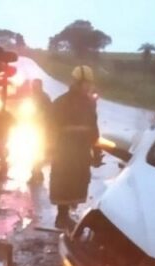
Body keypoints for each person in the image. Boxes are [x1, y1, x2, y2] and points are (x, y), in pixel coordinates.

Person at [49, 65, 102, 229]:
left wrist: (97, 152)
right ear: (75, 83)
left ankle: (67, 212)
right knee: (64, 181)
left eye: (89, 83)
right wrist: (49, 148)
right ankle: (62, 216)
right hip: (65, 150)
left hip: (79, 150)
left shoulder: (89, 104)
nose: (87, 86)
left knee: (78, 180)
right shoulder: (61, 102)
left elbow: (94, 129)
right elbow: (50, 127)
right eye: (84, 83)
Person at [28, 79, 53, 185]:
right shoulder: (32, 97)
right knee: (34, 151)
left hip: (41, 128)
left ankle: (36, 172)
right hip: (34, 127)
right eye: (33, 86)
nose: (34, 88)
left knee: (37, 151)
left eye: (36, 86)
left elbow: (50, 113)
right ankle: (37, 172)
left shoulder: (44, 98)